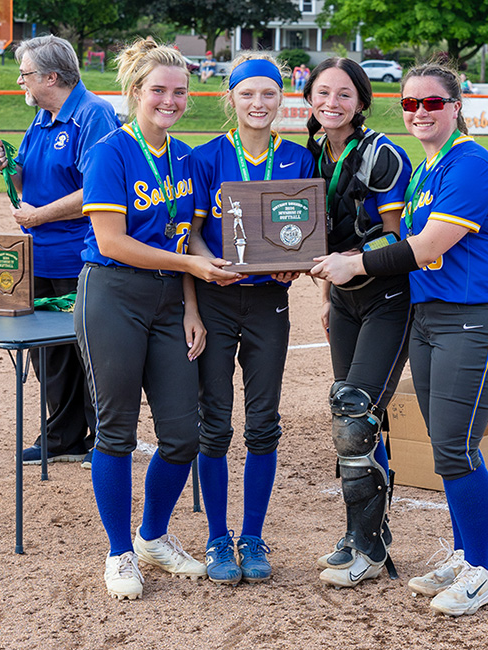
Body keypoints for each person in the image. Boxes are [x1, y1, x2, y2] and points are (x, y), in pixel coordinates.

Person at [310, 61, 488, 617]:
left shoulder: (470, 164)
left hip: (477, 318)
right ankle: (465, 553)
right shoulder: (430, 168)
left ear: (456, 107)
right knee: (447, 444)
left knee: (454, 447)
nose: (420, 112)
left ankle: (482, 570)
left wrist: (354, 263)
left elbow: (425, 249)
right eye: (410, 104)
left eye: (432, 103)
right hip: (433, 318)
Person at [76, 38, 241, 600]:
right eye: (158, 91)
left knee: (181, 435)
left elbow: (189, 233)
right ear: (134, 93)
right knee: (116, 430)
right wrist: (189, 264)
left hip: (172, 301)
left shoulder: (186, 158)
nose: (169, 101)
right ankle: (119, 552)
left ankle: (151, 537)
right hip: (113, 295)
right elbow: (112, 241)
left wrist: (193, 303)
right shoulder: (109, 151)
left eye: (179, 91)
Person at [188, 53, 314, 585]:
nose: (258, 104)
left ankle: (254, 535)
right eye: (247, 94)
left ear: (281, 97)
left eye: (268, 94)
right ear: (231, 99)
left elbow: (305, 235)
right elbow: (191, 237)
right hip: (216, 299)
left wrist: (295, 266)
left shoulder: (301, 159)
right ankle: (219, 537)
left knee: (263, 422)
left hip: (269, 304)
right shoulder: (207, 156)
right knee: (213, 423)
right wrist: (204, 276)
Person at [301, 57, 413, 588]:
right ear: (308, 99)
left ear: (362, 102)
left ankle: (368, 549)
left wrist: (350, 267)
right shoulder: (312, 152)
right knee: (351, 419)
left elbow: (397, 240)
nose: (332, 103)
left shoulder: (382, 155)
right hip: (345, 302)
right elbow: (322, 237)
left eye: (344, 95)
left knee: (355, 412)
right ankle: (361, 536)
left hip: (387, 298)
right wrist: (327, 294)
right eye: (322, 93)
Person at [0, 36, 120, 468]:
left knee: (93, 351)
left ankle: (105, 437)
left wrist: (41, 215)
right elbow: (30, 184)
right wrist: (10, 168)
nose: (20, 81)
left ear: (51, 76)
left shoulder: (92, 114)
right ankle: (63, 435)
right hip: (40, 253)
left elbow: (98, 189)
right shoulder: (43, 118)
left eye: (24, 73)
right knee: (50, 355)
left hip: (81, 253)